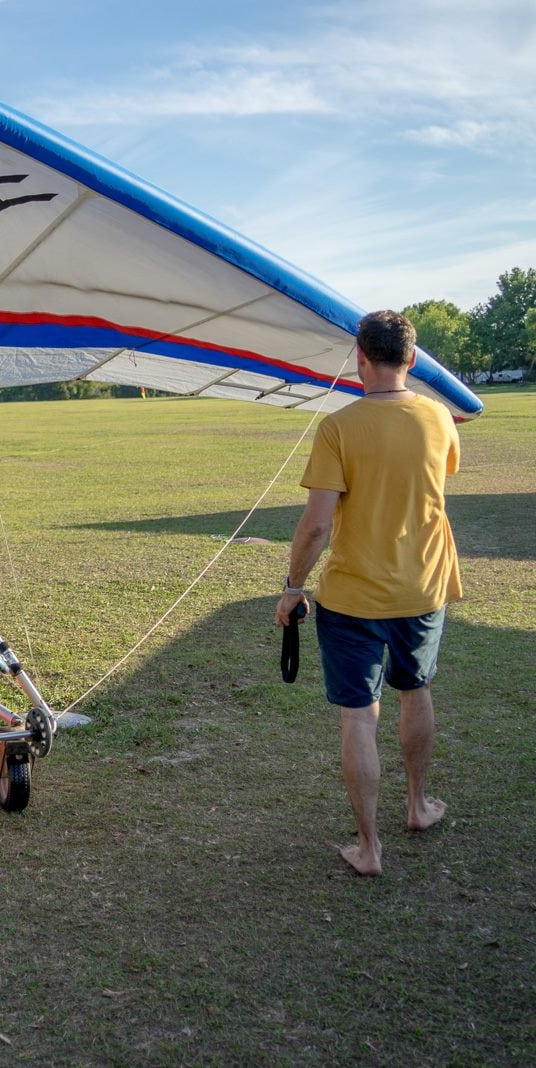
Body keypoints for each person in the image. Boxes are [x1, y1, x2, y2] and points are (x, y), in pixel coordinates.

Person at [275, 310, 461, 876]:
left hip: (353, 598)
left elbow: (315, 526)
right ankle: (417, 806)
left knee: (360, 717)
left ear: (360, 357)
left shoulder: (338, 427)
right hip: (424, 587)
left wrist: (292, 587)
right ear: (412, 357)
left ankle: (369, 848)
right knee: (417, 689)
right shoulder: (439, 419)